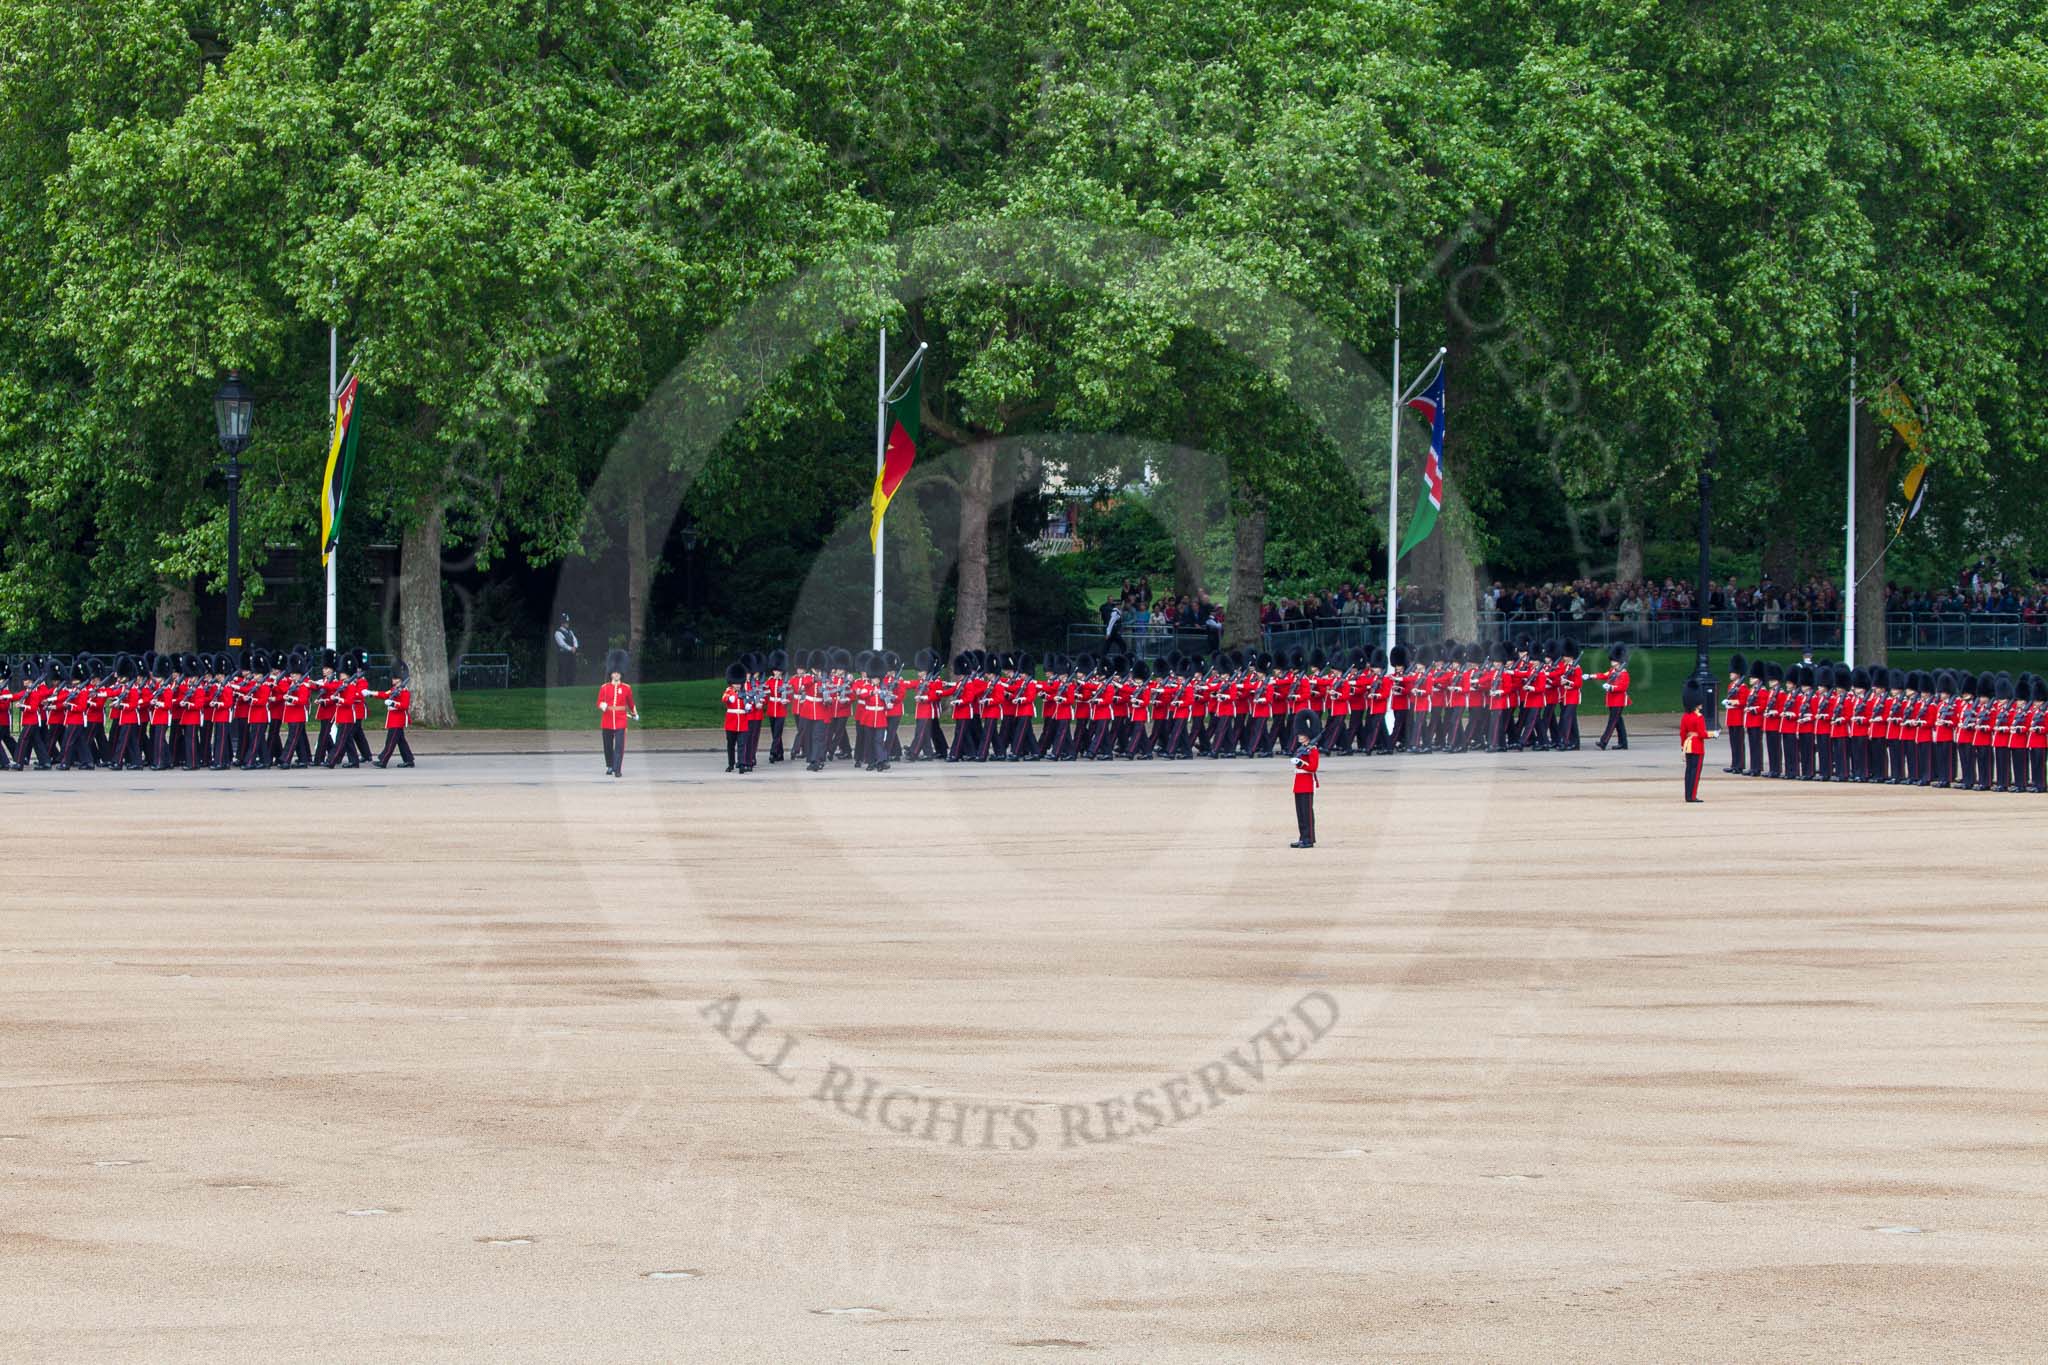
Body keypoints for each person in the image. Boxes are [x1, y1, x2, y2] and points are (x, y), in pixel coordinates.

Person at [598, 649, 638, 777]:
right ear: (611, 674)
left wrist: (634, 713)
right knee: (608, 746)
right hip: (607, 720)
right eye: (614, 673)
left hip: (621, 719)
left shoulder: (626, 688)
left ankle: (617, 769)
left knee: (619, 746)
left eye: (618, 673)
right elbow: (599, 702)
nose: (616, 675)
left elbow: (631, 703)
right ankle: (610, 765)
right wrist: (602, 705)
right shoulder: (604, 688)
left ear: (621, 674)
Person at [371, 665, 415, 768]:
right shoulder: (394, 689)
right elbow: (385, 694)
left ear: (401, 680)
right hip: (393, 719)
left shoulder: (404, 691)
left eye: (395, 679)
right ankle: (409, 760)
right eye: (393, 678)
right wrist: (371, 693)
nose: (393, 680)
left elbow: (404, 706)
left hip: (398, 720)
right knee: (401, 741)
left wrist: (393, 704)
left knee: (390, 741)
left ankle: (383, 761)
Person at [1591, 645, 1631, 750]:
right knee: (1618, 723)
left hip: (1619, 701)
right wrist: (1591, 676)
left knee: (1612, 722)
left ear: (1619, 661)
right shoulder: (1613, 671)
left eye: (1614, 660)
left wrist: (1611, 687)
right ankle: (1623, 743)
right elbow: (1604, 675)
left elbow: (1622, 687)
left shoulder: (1624, 674)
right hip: (1612, 700)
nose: (1612, 662)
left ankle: (1603, 741)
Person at [1680, 683, 1710, 803]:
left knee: (1688, 771)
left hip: (1688, 745)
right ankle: (1692, 796)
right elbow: (1702, 734)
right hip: (1697, 746)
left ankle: (1688, 795)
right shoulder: (1699, 717)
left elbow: (1682, 733)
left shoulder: (1685, 716)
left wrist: (1683, 746)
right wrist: (1712, 735)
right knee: (1695, 772)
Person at [1290, 740, 1320, 848]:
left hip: (1307, 784)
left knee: (1307, 813)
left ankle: (1309, 839)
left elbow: (1313, 767)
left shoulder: (1313, 750)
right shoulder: (1301, 748)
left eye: (1302, 735)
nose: (1299, 737)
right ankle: (1302, 837)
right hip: (1298, 784)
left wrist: (1300, 763)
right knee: (1301, 813)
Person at [553, 613, 581, 687]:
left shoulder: (570, 632)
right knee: (563, 671)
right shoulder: (558, 632)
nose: (567, 624)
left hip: (571, 654)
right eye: (566, 622)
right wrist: (570, 648)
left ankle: (570, 687)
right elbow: (562, 644)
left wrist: (575, 647)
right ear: (562, 623)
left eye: (567, 622)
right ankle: (561, 687)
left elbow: (575, 640)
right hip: (563, 655)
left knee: (571, 671)